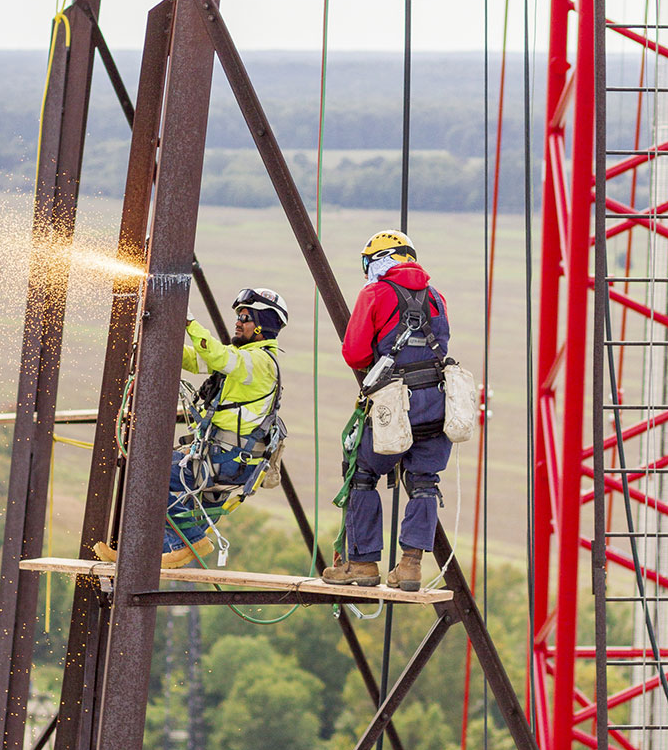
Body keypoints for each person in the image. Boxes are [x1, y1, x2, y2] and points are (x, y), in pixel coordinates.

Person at [96, 287, 287, 568]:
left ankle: (190, 541)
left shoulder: (259, 362)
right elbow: (197, 359)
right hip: (220, 455)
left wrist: (188, 323)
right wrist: (155, 345)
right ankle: (154, 553)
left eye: (245, 316)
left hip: (228, 459)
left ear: (263, 324)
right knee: (155, 475)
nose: (238, 321)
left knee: (148, 470)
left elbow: (218, 357)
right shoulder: (242, 359)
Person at [323, 230, 451, 592]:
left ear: (379, 260)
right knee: (425, 483)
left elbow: (356, 354)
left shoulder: (376, 294)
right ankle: (410, 566)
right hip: (437, 405)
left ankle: (362, 563)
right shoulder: (436, 297)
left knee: (362, 473)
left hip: (396, 404)